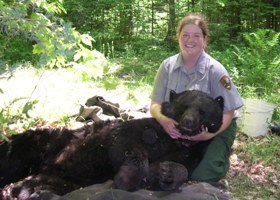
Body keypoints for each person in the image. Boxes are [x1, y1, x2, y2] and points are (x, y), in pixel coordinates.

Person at [150, 14, 243, 182]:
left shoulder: (216, 71)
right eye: (185, 35)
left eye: (196, 35)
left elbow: (228, 112)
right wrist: (163, 119)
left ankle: (221, 155)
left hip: (216, 127)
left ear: (205, 40)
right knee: (155, 163)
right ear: (177, 37)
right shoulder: (167, 66)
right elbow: (155, 104)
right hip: (180, 126)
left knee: (201, 175)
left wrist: (207, 136)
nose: (189, 40)